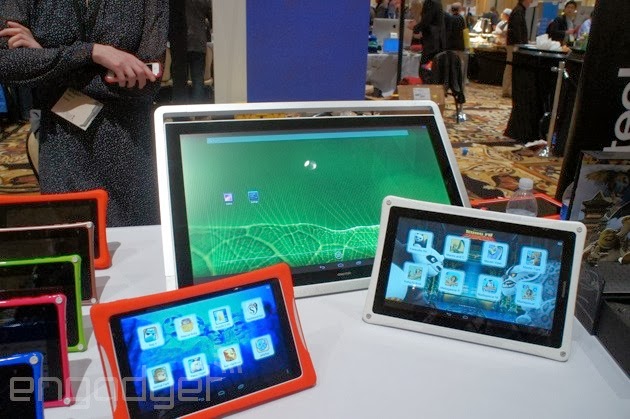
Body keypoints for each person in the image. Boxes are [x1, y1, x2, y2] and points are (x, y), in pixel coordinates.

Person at [0, 1, 169, 227]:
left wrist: (46, 60)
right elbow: (7, 65)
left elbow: (147, 80)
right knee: (76, 242)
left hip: (129, 149)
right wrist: (92, 53)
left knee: (138, 242)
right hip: (64, 151)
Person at [502, 0, 532, 98]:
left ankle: (508, 89)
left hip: (514, 43)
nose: (531, 2)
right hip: (514, 44)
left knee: (511, 66)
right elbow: (517, 29)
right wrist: (520, 44)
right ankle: (507, 90)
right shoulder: (518, 11)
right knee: (511, 67)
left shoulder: (519, 10)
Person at [185, 0, 213, 103]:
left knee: (180, 80)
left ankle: (181, 110)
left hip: (180, 41)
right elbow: (213, 19)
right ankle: (198, 109)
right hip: (198, 40)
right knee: (198, 80)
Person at [412, 0, 445, 65]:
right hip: (437, 39)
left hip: (431, 40)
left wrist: (415, 29)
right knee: (433, 64)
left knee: (426, 65)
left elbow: (426, 20)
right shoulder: (438, 2)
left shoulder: (430, 2)